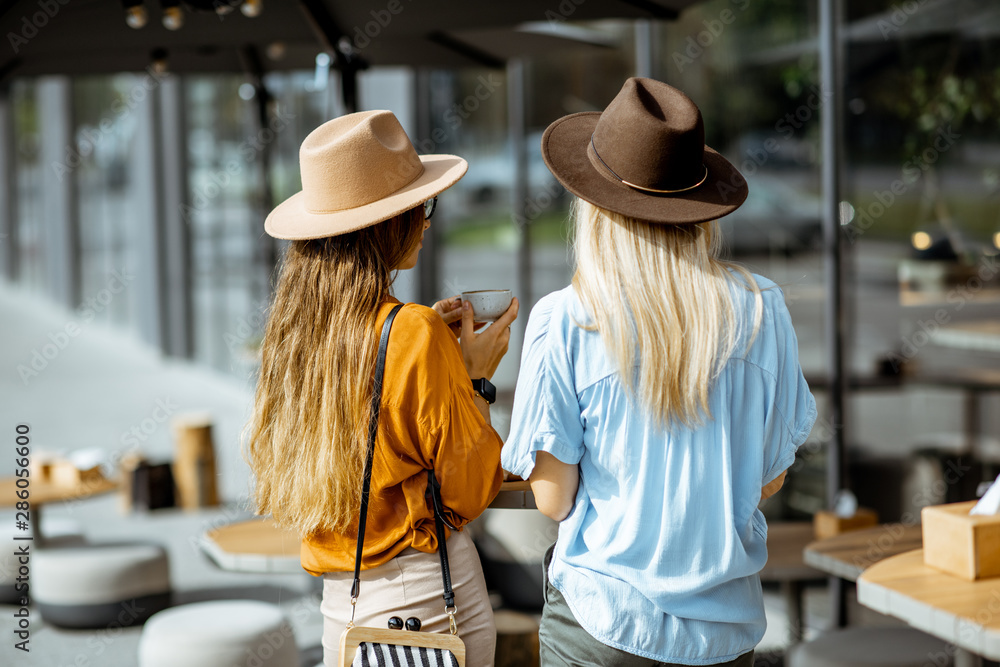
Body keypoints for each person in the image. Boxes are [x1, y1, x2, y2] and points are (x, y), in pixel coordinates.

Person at [502, 78, 817, 666]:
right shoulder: (761, 308)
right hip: (725, 633)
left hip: (603, 622)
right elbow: (770, 475)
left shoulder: (568, 318)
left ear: (593, 208)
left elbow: (552, 497)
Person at [244, 110, 518, 667]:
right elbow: (470, 490)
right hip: (423, 603)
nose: (427, 220)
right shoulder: (411, 331)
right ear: (384, 223)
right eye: (420, 206)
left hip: (341, 610)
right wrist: (473, 377)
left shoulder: (298, 340)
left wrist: (435, 356)